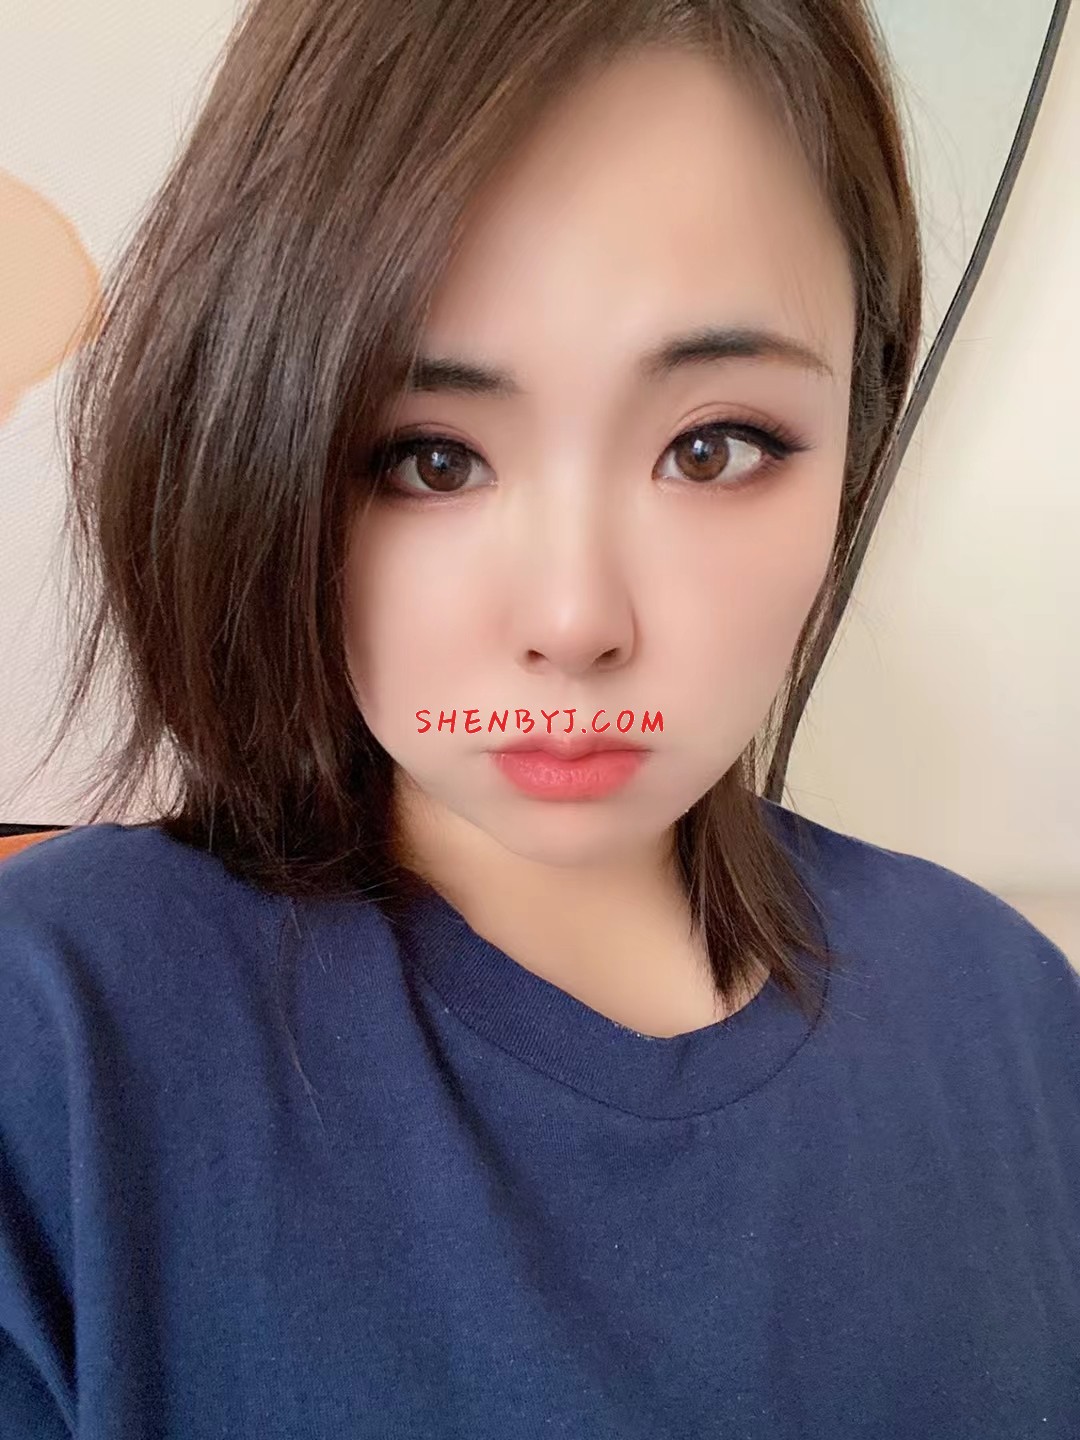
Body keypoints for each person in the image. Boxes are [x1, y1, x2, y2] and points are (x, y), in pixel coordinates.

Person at [2, 1, 1078, 1435]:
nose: (575, 621)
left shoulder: (1011, 1013)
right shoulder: (56, 1042)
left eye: (714, 447)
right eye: (430, 458)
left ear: (856, 442)